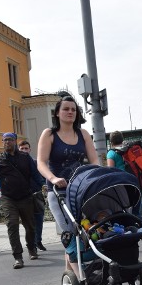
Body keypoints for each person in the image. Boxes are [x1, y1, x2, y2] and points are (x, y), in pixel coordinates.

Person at [37, 94, 98, 273]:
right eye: (65, 109)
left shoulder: (83, 134)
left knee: (86, 229)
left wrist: (96, 175)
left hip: (80, 190)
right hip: (58, 192)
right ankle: (81, 276)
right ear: (57, 113)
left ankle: (71, 278)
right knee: (71, 232)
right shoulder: (49, 134)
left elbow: (94, 161)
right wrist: (53, 178)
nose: (70, 112)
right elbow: (41, 162)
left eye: (73, 109)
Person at [0, 132, 45, 269]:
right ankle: (18, 257)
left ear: (15, 141)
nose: (6, 142)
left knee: (30, 226)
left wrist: (45, 186)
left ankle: (31, 247)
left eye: (9, 140)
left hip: (26, 197)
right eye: (4, 140)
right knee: (12, 225)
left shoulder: (25, 157)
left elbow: (35, 175)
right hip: (8, 199)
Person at [106, 130, 142, 248]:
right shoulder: (129, 150)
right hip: (136, 185)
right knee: (137, 213)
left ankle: (134, 238)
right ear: (122, 140)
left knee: (125, 215)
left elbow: (110, 171)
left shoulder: (112, 153)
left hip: (123, 187)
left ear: (111, 141)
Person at [18, 140, 46, 251]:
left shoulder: (36, 162)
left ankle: (38, 241)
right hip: (23, 197)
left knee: (39, 220)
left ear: (30, 149)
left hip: (37, 195)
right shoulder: (17, 164)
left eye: (26, 148)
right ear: (18, 149)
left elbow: (42, 177)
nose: (24, 150)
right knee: (28, 223)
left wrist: (44, 186)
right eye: (22, 148)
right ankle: (32, 245)